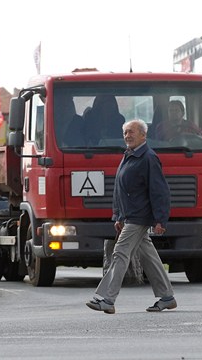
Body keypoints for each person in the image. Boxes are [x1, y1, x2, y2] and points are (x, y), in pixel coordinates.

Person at [86, 119, 177, 314]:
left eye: (132, 132)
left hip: (140, 216)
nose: (127, 136)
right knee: (149, 256)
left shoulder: (148, 158)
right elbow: (120, 189)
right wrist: (118, 215)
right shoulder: (129, 156)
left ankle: (107, 299)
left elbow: (160, 191)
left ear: (143, 135)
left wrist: (161, 219)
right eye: (125, 132)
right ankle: (167, 297)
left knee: (119, 253)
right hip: (130, 215)